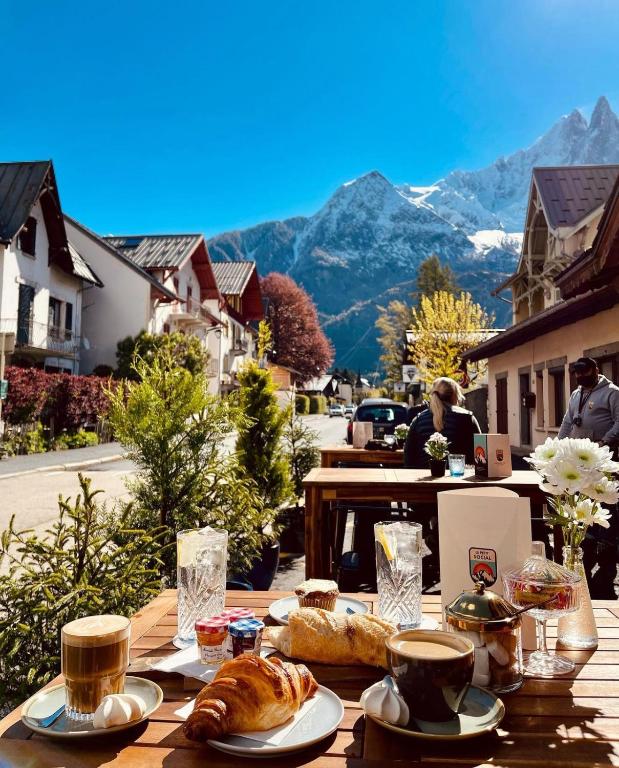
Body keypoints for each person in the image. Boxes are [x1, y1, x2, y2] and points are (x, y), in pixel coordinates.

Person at [559, 357, 619, 599]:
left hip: (604, 461)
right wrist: (557, 448)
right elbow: (566, 422)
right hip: (580, 464)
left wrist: (605, 441)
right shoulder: (576, 394)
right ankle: (582, 570)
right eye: (577, 373)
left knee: (606, 514)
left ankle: (605, 577)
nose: (580, 377)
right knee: (582, 514)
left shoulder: (612, 393)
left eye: (584, 372)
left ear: (595, 370)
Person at [404, 377, 481, 468]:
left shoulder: (418, 419)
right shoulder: (467, 418)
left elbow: (409, 457)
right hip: (457, 477)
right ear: (455, 395)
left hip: (422, 478)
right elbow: (480, 451)